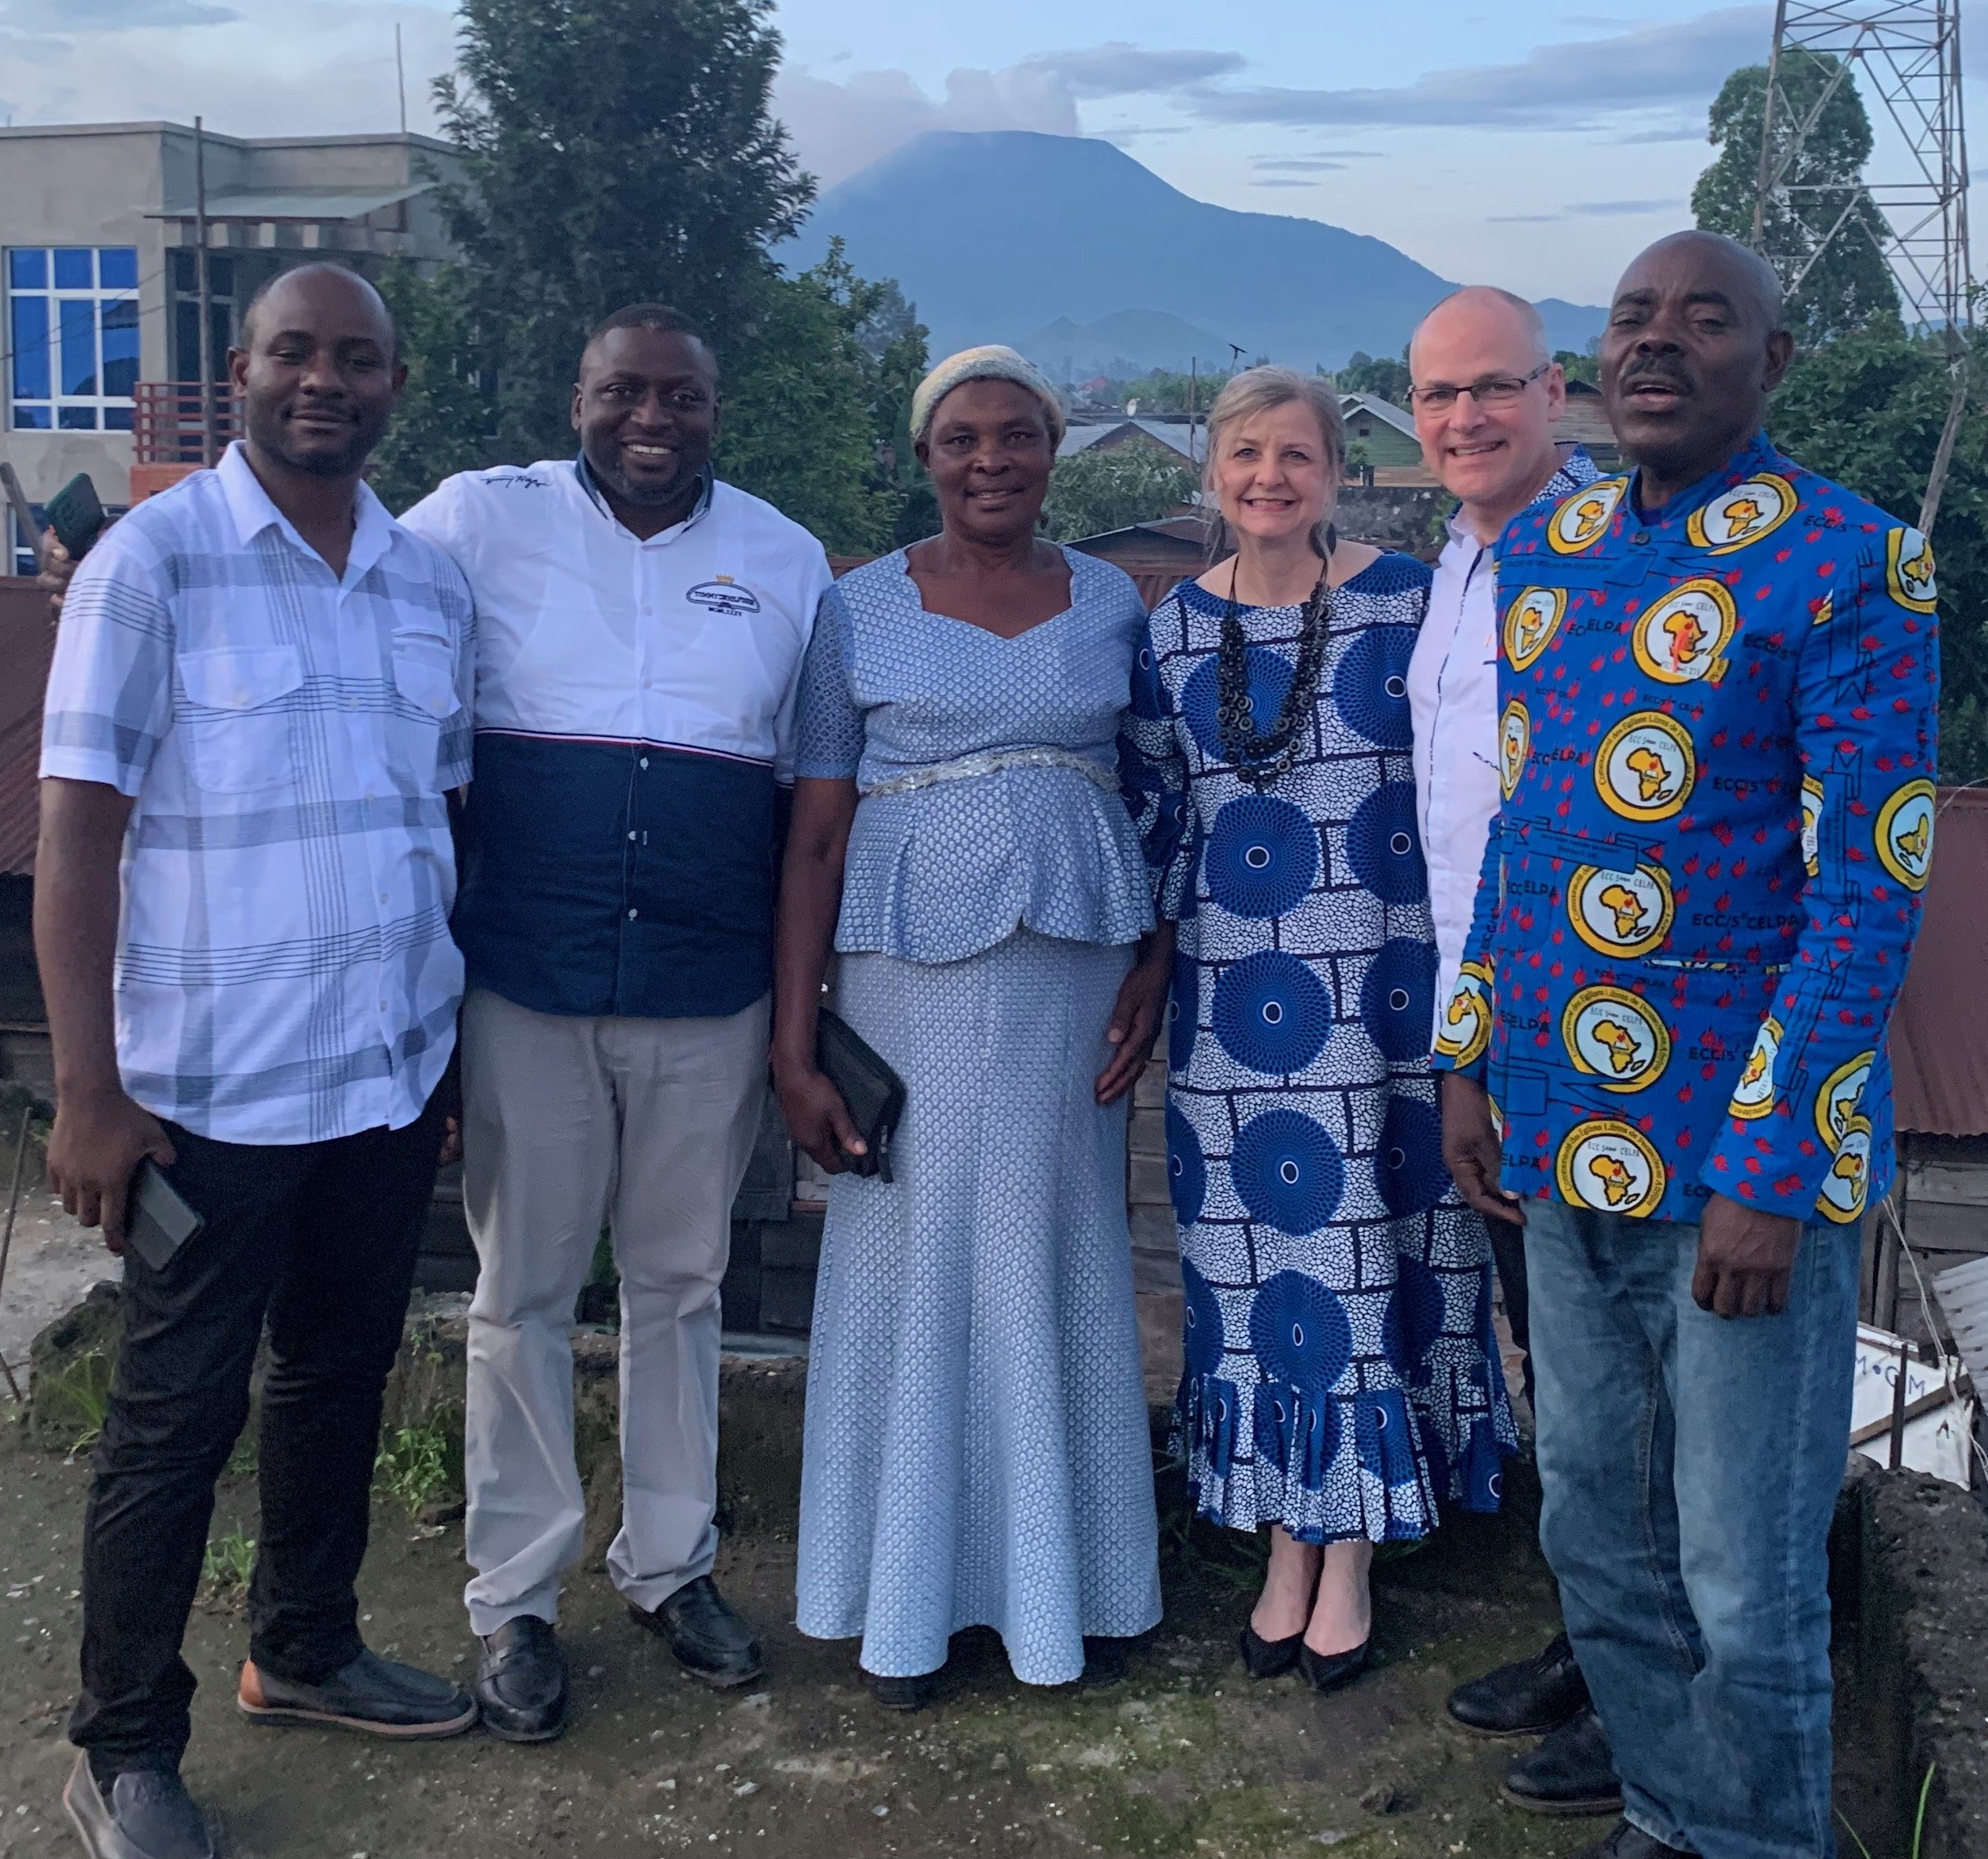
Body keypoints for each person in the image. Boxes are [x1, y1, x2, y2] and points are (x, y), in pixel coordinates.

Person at [1434, 230, 1937, 1859]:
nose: (1657, 342)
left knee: (1740, 1563)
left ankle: (1761, 1839)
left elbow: (1866, 889)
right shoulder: (1552, 549)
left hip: (1739, 1164)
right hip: (1558, 1126)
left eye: (1704, 318)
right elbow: (1522, 830)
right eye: (1632, 316)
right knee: (1596, 1528)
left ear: (1772, 361)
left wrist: (1773, 1171)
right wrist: (1469, 1055)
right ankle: (1673, 1808)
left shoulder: (1853, 561)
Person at [37, 263, 479, 1859]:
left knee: (339, 1373)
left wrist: (437, 1058)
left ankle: (302, 1645)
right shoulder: (151, 566)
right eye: (296, 352)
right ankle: (123, 1749)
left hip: (381, 1078)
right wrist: (88, 1090)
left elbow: (436, 818)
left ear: (392, 385)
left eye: (356, 359)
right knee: (172, 1419)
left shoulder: (428, 584)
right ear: (242, 370)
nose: (324, 382)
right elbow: (77, 833)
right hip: (205, 1096)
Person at [397, 305, 832, 1740]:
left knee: (680, 1285)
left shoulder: (784, 559)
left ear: (717, 408)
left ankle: (671, 1565)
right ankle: (514, 1598)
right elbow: (361, 605)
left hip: (707, 990)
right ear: (574, 397)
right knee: (520, 1293)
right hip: (528, 976)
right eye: (622, 392)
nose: (651, 419)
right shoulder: (477, 519)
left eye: (680, 396)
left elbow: (806, 788)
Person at [774, 346, 1165, 1712]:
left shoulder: (1111, 600)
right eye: (961, 439)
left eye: (1017, 436)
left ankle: (1075, 1588)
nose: (990, 459)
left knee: (1058, 1240)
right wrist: (793, 1043)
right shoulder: (853, 610)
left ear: (1053, 452)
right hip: (900, 977)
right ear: (923, 457)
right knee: (915, 1252)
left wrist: (1156, 958)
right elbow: (812, 836)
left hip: (1075, 969)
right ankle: (902, 1600)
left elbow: (1160, 791)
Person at [1118, 366, 1516, 1695]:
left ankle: (1346, 1554)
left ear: (1336, 473)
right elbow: (1155, 817)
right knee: (1256, 1286)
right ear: (1210, 472)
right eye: (1245, 455)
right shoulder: (1173, 629)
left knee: (1369, 1263)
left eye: (1295, 455)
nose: (1268, 478)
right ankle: (1285, 1536)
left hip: (1391, 1000)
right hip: (1234, 1016)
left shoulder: (1409, 602)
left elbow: (1472, 787)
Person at [1403, 287, 1617, 1816]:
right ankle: (1595, 1640)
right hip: (1482, 1021)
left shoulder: (1609, 554)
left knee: (1628, 1374)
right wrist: (1458, 1054)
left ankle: (1651, 1684)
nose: (1464, 417)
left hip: (1602, 1029)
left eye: (1492, 387)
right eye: (1436, 396)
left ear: (1554, 393)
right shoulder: (1456, 563)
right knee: (1554, 1355)